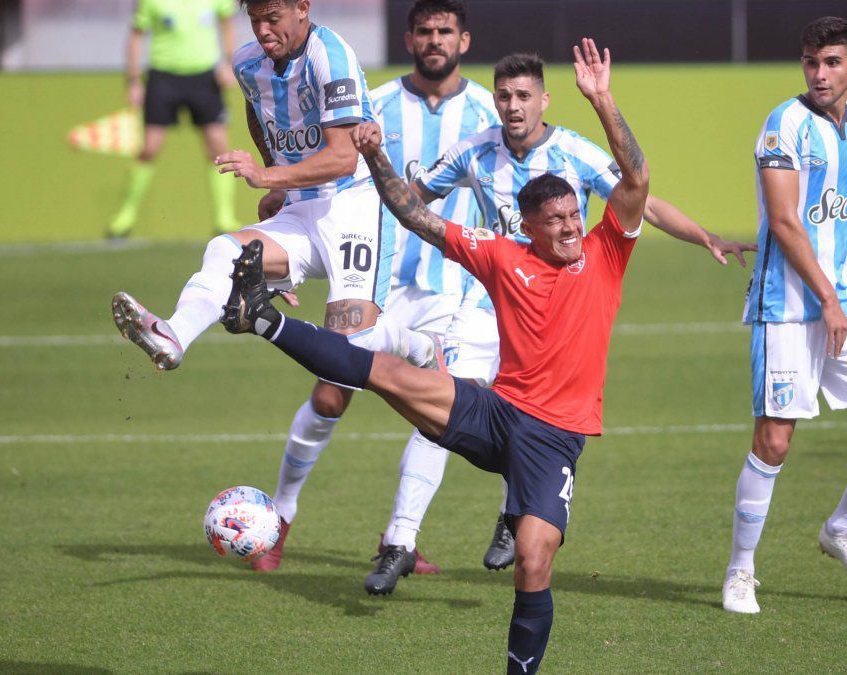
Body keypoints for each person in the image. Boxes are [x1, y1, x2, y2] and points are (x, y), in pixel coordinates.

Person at [223, 38, 644, 674]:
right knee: (385, 372)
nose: (566, 227)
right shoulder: (504, 256)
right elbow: (414, 212)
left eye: (570, 215)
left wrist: (603, 100)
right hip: (500, 410)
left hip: (554, 439)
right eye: (552, 219)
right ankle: (263, 318)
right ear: (526, 226)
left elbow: (636, 179)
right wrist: (377, 155)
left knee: (533, 558)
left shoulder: (605, 253)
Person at [404, 50, 756, 576]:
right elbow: (410, 201)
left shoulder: (572, 151)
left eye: (524, 95)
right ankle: (400, 539)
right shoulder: (473, 152)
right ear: (493, 100)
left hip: (559, 308)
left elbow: (641, 199)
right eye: (504, 96)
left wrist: (702, 235)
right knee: (437, 406)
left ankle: (513, 511)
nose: (513, 106)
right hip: (488, 303)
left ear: (544, 100)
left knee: (532, 415)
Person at [250, 0, 500, 586]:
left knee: (441, 411)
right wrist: (282, 204)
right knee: (332, 396)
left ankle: (400, 538)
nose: (435, 40)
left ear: (464, 40)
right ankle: (281, 515)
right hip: (376, 281)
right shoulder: (374, 104)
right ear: (409, 38)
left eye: (446, 32)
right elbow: (323, 168)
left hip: (451, 295)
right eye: (425, 31)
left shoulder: (491, 114)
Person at [112, 1, 428, 383]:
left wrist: (268, 177)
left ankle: (418, 345)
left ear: (302, 8)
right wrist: (280, 179)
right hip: (301, 208)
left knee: (351, 347)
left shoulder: (329, 54)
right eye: (255, 19)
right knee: (225, 251)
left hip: (353, 204)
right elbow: (256, 109)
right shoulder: (247, 63)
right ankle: (173, 334)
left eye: (272, 18)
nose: (262, 30)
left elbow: (344, 158)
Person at [721, 16, 847, 614]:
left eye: (832, 62)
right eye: (811, 62)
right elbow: (784, 220)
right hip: (786, 304)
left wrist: (840, 298)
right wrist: (825, 301)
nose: (820, 73)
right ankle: (740, 571)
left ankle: (841, 527)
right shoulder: (784, 125)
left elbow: (840, 224)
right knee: (774, 442)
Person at [108, 0, 240, 239]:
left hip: (205, 77)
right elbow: (136, 37)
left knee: (218, 148)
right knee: (149, 148)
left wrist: (229, 62)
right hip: (163, 77)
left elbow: (228, 23)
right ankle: (124, 218)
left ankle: (224, 218)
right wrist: (134, 79)